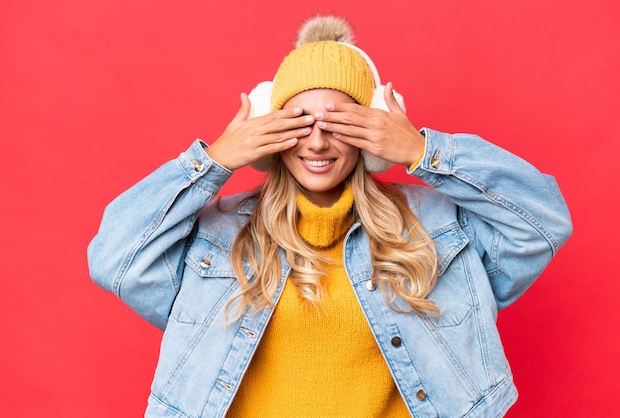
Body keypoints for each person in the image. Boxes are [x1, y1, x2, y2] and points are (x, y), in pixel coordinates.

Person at [88, 15, 572, 418]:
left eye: (340, 123)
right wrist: (214, 162)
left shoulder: (435, 228)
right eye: (298, 123)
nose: (317, 143)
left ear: (373, 130)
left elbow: (543, 220)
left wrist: (423, 151)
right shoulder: (219, 237)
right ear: (269, 130)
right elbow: (113, 258)